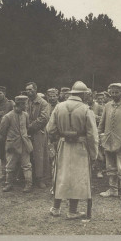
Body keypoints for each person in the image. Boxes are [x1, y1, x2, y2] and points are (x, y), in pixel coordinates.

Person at [46, 81, 99, 221]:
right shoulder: (87, 110)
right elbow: (92, 135)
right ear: (82, 94)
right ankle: (72, 211)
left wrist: (60, 136)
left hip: (63, 145)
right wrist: (94, 154)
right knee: (76, 176)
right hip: (80, 147)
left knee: (60, 174)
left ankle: (56, 208)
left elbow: (49, 129)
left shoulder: (59, 107)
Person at [0, 95, 33, 193]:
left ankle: (28, 184)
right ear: (20, 104)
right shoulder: (7, 117)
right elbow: (1, 131)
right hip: (12, 145)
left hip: (24, 144)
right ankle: (8, 184)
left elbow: (27, 127)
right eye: (25, 104)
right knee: (10, 165)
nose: (26, 105)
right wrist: (11, 139)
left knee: (27, 165)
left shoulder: (25, 115)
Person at [25, 82, 51, 190]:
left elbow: (44, 118)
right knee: (26, 155)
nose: (28, 92)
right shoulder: (25, 102)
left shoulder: (43, 103)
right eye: (27, 90)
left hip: (38, 132)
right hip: (26, 132)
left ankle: (41, 179)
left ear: (35, 90)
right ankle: (27, 178)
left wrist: (30, 127)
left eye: (30, 90)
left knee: (40, 156)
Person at [0, 86, 14, 183]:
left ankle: (12, 176)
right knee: (2, 154)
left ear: (4, 93)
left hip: (10, 133)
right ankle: (3, 174)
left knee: (11, 153)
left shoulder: (11, 103)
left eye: (0, 93)